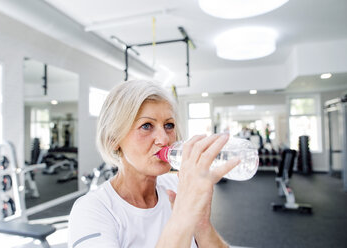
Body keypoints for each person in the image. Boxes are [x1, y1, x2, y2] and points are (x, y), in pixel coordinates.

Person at [68, 80, 240, 248]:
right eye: (147, 126)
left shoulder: (176, 187)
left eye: (169, 125)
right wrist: (183, 215)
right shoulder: (92, 210)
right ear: (114, 139)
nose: (164, 139)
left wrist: (201, 225)